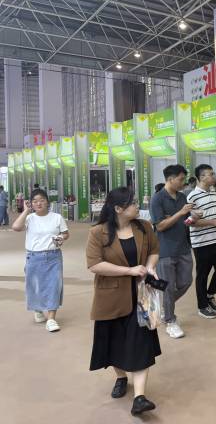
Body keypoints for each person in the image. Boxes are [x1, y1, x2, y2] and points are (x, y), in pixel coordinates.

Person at [86, 187, 161, 416]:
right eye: (133, 203)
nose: (137, 206)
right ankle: (120, 377)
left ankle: (139, 397)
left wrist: (149, 268)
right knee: (113, 343)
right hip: (111, 297)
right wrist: (129, 271)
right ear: (118, 208)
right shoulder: (98, 232)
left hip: (141, 296)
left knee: (141, 344)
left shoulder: (144, 227)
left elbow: (154, 251)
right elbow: (94, 264)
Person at [12, 189, 69, 331]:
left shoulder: (57, 217)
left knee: (54, 286)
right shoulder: (30, 218)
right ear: (31, 204)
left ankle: (51, 319)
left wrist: (61, 237)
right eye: (35, 201)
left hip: (53, 256)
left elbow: (66, 233)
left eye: (42, 200)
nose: (39, 203)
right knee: (34, 286)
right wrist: (26, 211)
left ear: (47, 202)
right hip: (34, 257)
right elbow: (16, 227)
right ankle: (37, 309)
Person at [149, 165, 194, 339]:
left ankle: (164, 306)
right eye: (181, 179)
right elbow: (160, 226)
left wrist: (192, 217)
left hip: (183, 247)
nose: (183, 183)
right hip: (165, 249)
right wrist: (180, 213)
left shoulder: (182, 197)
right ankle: (170, 321)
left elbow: (184, 221)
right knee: (168, 287)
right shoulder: (157, 199)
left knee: (186, 281)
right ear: (170, 179)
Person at [187, 165, 216, 318]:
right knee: (203, 274)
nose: (214, 176)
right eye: (211, 174)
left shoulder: (213, 192)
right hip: (201, 243)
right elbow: (190, 222)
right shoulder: (192, 197)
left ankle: (210, 294)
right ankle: (202, 306)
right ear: (202, 177)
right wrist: (213, 222)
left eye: (213, 173)